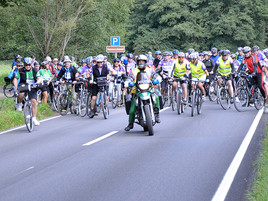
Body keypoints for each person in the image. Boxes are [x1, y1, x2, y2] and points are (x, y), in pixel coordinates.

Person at [124, 55, 160, 131]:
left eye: (143, 61)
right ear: (137, 62)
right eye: (140, 61)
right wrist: (128, 82)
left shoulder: (150, 70)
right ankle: (130, 123)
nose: (141, 63)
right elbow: (129, 78)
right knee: (132, 109)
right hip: (137, 91)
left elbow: (156, 76)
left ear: (145, 62)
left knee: (156, 97)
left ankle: (157, 114)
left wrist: (158, 79)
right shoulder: (133, 70)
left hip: (149, 90)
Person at [13, 57, 40, 125]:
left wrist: (37, 83)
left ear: (31, 64)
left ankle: (34, 118)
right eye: (26, 65)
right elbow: (16, 79)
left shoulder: (35, 70)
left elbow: (39, 78)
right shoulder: (21, 70)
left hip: (33, 85)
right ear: (24, 64)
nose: (28, 66)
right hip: (24, 84)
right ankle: (19, 104)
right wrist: (15, 87)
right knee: (21, 94)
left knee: (34, 102)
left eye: (29, 65)